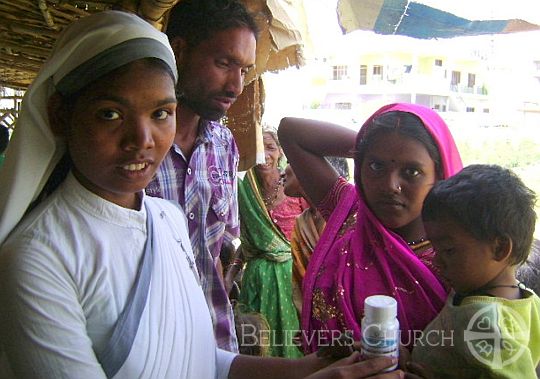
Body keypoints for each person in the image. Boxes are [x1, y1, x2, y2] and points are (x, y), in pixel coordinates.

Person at [0, 10, 406, 379]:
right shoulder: (37, 259)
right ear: (59, 115)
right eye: (111, 113)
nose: (141, 141)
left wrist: (311, 367)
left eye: (161, 113)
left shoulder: (165, 218)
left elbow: (202, 360)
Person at [278, 103, 463, 354]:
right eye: (376, 167)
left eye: (411, 171)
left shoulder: (460, 253)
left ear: (439, 174)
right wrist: (370, 142)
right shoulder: (349, 212)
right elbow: (291, 131)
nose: (390, 185)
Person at [145, 0, 257, 352]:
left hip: (215, 343)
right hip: (149, 349)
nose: (236, 86)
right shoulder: (135, 147)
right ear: (179, 50)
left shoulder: (224, 145)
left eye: (245, 70)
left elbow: (227, 245)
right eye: (224, 63)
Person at [405, 164, 540, 379]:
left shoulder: (487, 323)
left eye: (449, 250)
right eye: (436, 249)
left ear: (499, 248)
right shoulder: (528, 301)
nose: (437, 261)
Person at [236, 127, 309, 358]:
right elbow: (244, 242)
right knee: (257, 345)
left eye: (270, 147)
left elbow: (314, 234)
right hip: (257, 279)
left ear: (280, 151)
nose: (264, 155)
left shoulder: (295, 183)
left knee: (291, 343)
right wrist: (229, 276)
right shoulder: (243, 188)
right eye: (258, 148)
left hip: (292, 278)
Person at [283, 158, 350, 316]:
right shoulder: (303, 222)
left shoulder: (348, 218)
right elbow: (301, 288)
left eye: (289, 160)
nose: (282, 172)